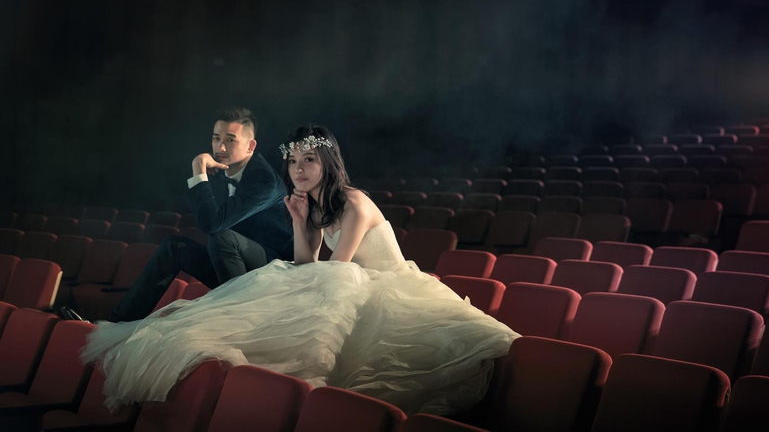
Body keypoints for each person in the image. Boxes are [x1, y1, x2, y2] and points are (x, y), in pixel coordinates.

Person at [81, 124, 520, 416]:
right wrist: (297, 220)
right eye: (293, 162)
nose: (298, 170)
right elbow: (309, 263)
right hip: (346, 285)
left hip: (383, 287)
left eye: (308, 160)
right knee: (284, 286)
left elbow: (338, 270)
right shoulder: (312, 205)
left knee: (302, 308)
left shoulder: (354, 203)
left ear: (327, 163)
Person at [65, 107, 293, 323]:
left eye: (230, 140)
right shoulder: (223, 171)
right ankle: (117, 321)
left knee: (220, 236)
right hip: (238, 265)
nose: (220, 148)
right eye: (216, 138)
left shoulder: (261, 179)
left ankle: (235, 314)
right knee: (174, 247)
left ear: (250, 146)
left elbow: (211, 224)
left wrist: (198, 167)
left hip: (271, 271)